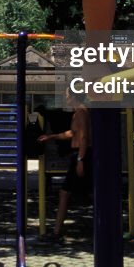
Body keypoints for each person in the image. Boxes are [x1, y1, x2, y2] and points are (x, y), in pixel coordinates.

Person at [37, 89, 91, 239]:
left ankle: (56, 232)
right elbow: (72, 133)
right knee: (69, 192)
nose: (65, 98)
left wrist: (80, 159)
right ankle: (57, 230)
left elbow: (84, 137)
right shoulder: (77, 112)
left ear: (73, 97)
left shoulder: (81, 112)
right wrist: (51, 136)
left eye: (66, 95)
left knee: (65, 192)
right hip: (79, 154)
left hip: (81, 155)